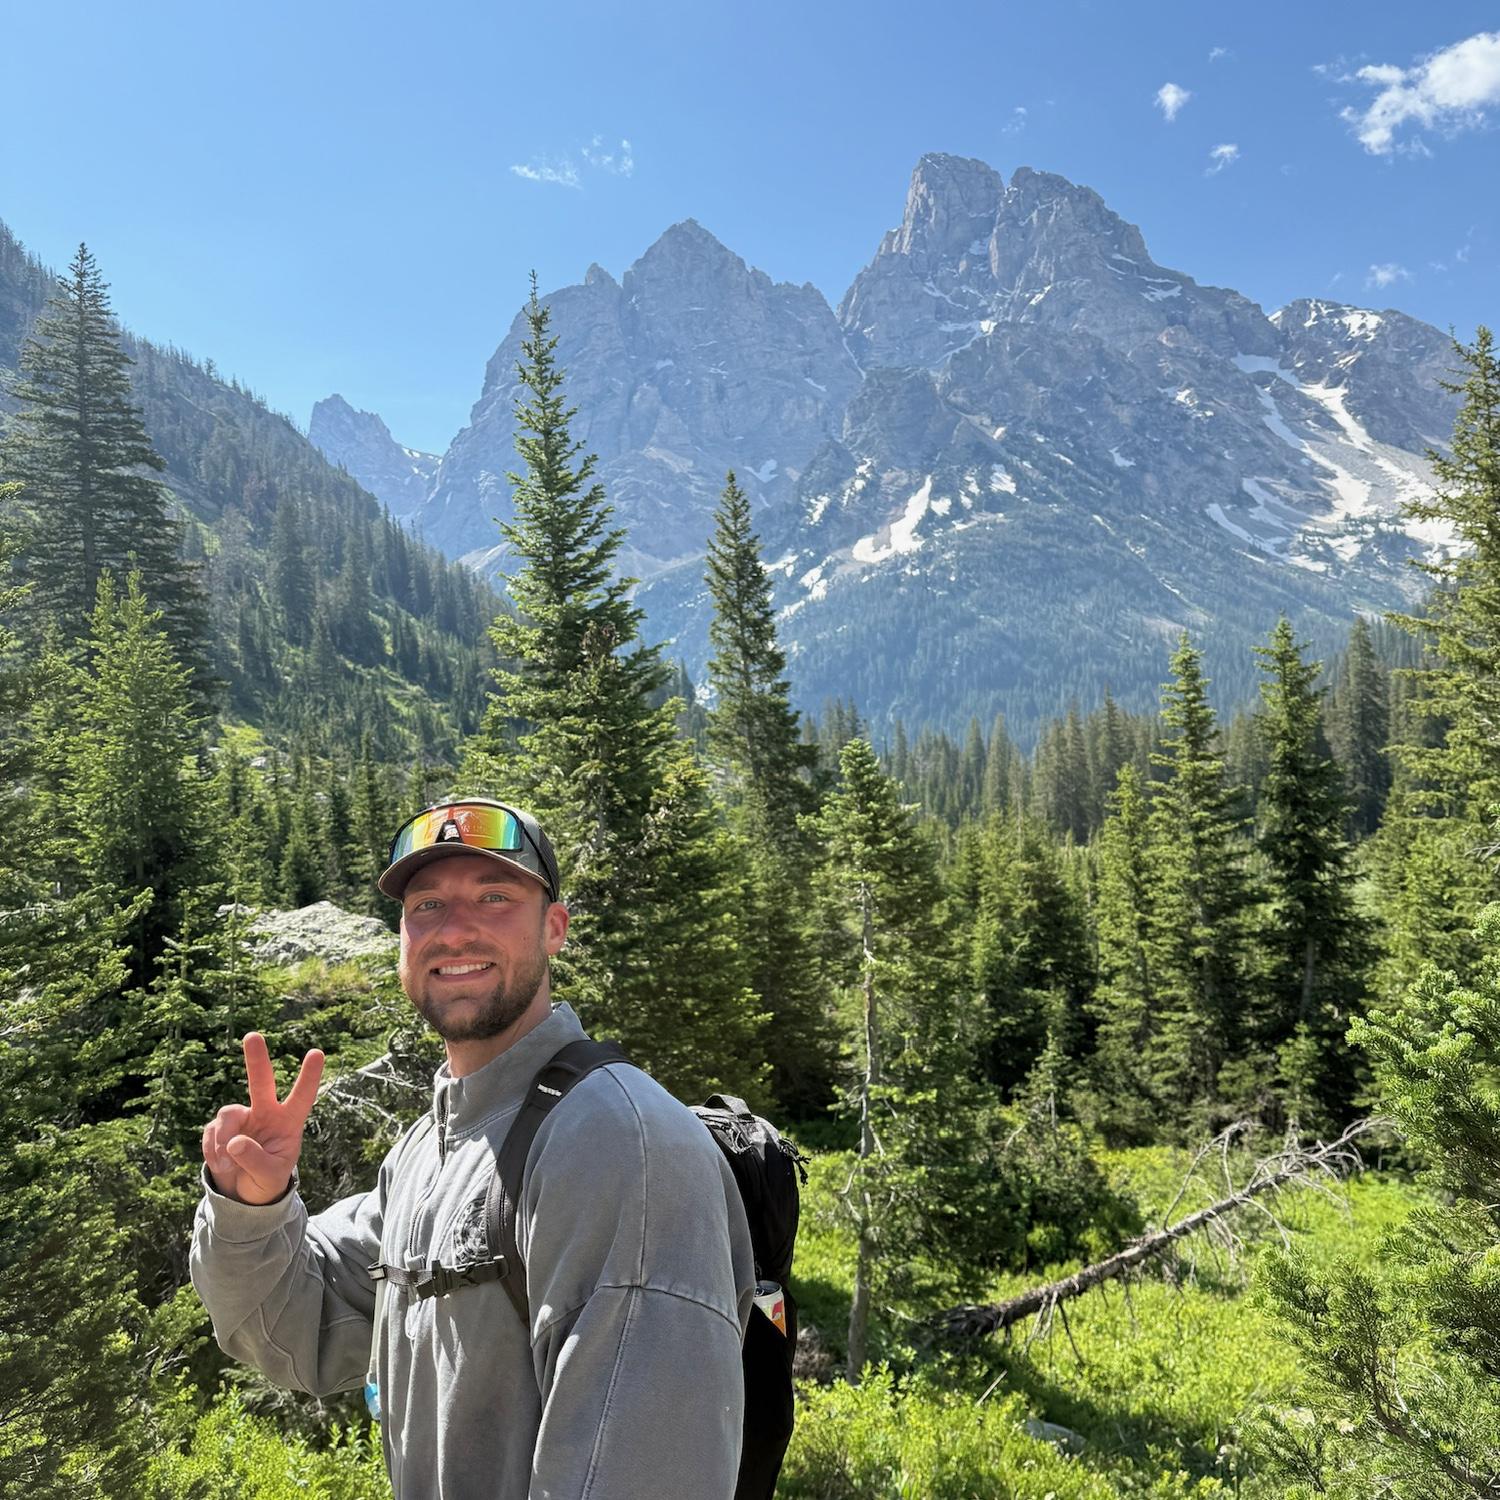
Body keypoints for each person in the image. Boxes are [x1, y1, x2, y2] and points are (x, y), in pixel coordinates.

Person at [191, 798, 757, 1499]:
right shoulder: (429, 1151)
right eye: (426, 905)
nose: (454, 931)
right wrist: (253, 1207)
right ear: (401, 940)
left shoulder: (619, 1146)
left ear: (554, 929)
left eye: (494, 897)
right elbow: (287, 1330)